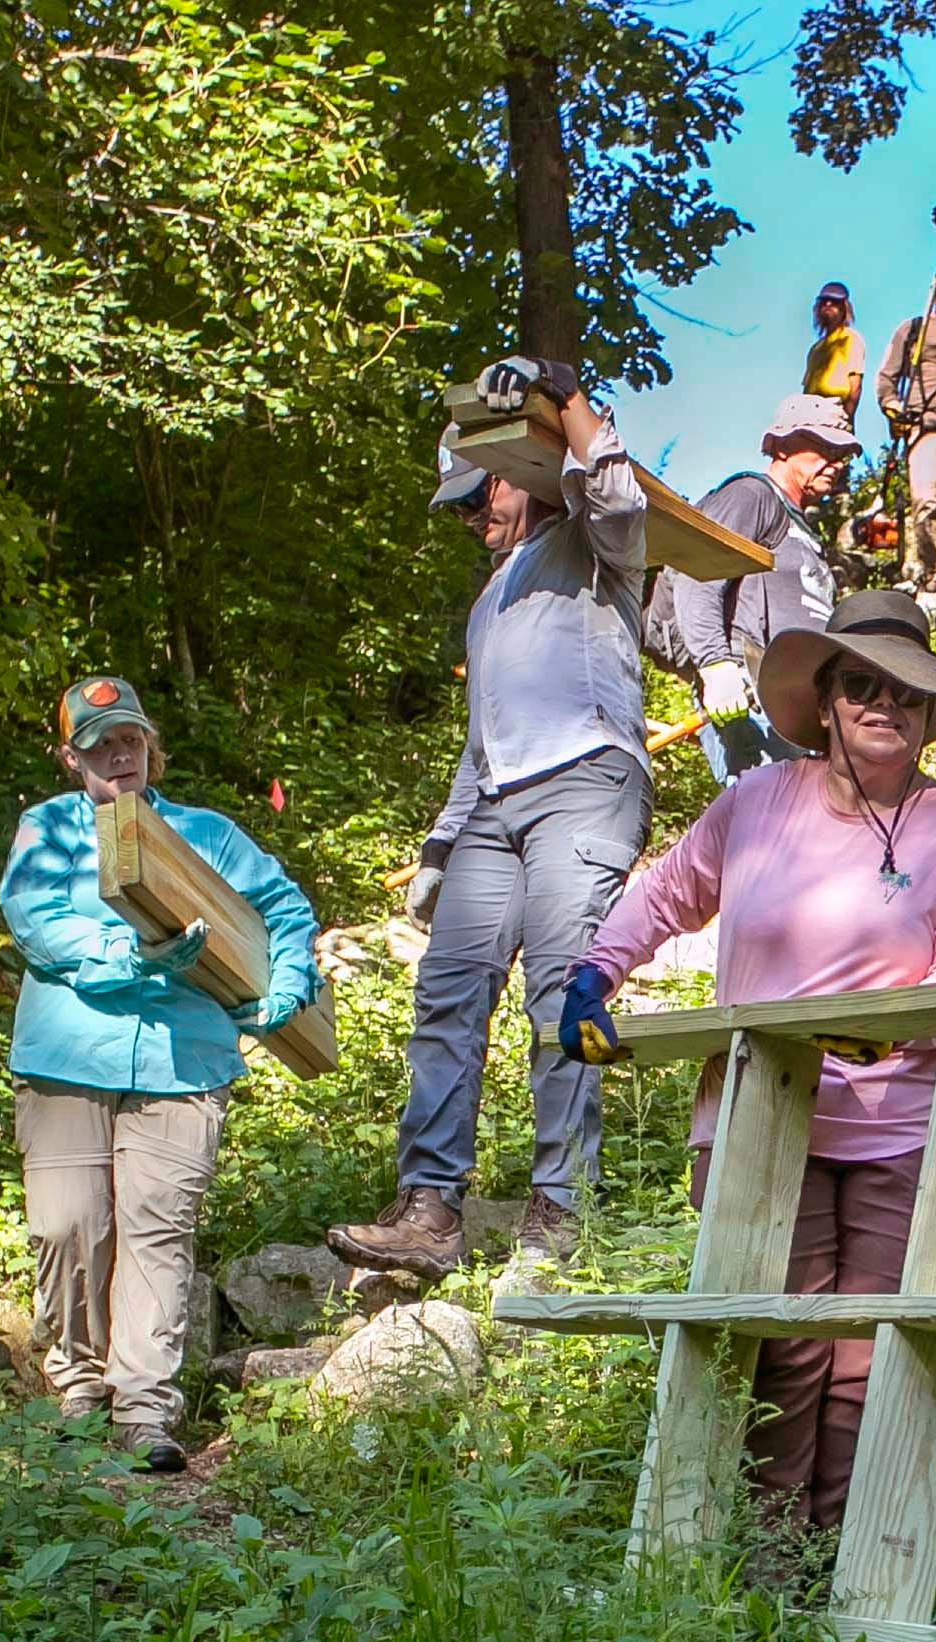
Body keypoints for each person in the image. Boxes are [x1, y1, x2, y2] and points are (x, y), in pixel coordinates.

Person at [559, 592, 936, 1535]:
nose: (885, 704)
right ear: (826, 701)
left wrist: (889, 1028)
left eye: (908, 692)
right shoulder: (756, 803)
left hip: (897, 1127)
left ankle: (843, 1559)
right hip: (762, 1117)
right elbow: (667, 893)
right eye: (863, 685)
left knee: (869, 1354)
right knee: (781, 1344)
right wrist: (595, 973)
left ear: (929, 714)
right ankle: (769, 1557)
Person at [329, 360, 655, 1284]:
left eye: (482, 496)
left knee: (563, 988)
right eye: (460, 510)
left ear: (521, 472)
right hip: (494, 807)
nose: (473, 518)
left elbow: (621, 498)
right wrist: (440, 843)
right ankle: (429, 1208)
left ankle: (564, 1206)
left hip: (587, 778)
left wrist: (565, 394)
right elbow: (481, 743)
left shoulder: (591, 545)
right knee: (448, 990)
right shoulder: (487, 603)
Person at [1, 676, 319, 1473]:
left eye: (131, 739)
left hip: (185, 1063)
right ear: (70, 757)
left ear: (150, 746)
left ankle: (144, 1412)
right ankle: (79, 1391)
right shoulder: (48, 830)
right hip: (66, 1061)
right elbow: (36, 922)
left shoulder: (206, 835)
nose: (120, 755)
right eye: (101, 744)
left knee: (157, 1230)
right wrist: (130, 953)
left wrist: (288, 981)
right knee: (68, 1226)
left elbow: (284, 909)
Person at [666, 394, 859, 783]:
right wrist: (716, 666)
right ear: (782, 446)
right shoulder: (752, 496)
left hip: (800, 708)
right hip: (753, 697)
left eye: (842, 454)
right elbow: (696, 574)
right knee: (769, 814)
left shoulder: (801, 527)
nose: (836, 463)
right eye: (824, 448)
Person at [877, 282, 936, 592]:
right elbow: (886, 378)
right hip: (926, 430)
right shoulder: (914, 331)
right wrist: (892, 407)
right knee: (928, 503)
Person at [804, 282, 866, 421]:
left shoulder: (851, 339)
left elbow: (855, 385)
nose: (828, 304)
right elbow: (807, 389)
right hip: (811, 413)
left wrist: (847, 418)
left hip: (834, 411)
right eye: (824, 301)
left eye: (834, 302)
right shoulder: (816, 349)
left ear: (844, 308)